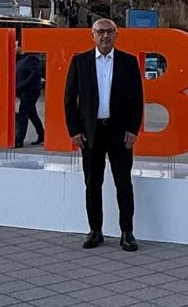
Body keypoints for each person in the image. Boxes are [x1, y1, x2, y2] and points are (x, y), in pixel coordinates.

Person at [64, 18, 144, 251]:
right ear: (92, 35)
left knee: (123, 183)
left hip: (120, 132)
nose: (105, 36)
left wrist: (133, 129)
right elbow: (69, 100)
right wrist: (75, 130)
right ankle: (95, 230)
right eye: (100, 32)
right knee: (92, 183)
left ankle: (127, 232)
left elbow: (136, 99)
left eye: (109, 32)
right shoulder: (80, 62)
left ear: (116, 35)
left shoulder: (128, 63)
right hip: (90, 133)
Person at [15, 49, 45, 147]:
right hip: (24, 91)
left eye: (16, 45)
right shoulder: (21, 58)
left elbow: (36, 73)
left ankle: (19, 140)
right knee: (32, 114)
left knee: (23, 114)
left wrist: (22, 85)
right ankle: (42, 134)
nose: (14, 47)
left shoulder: (31, 58)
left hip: (29, 91)